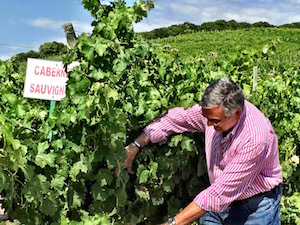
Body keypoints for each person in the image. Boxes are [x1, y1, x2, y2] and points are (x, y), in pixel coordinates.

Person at [123, 77, 282, 225]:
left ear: (237, 113)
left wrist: (172, 223)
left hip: (254, 208)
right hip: (219, 202)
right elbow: (175, 118)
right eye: (206, 118)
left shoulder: (255, 139)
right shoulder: (215, 112)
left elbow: (219, 193)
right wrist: (137, 144)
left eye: (214, 121)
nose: (207, 124)